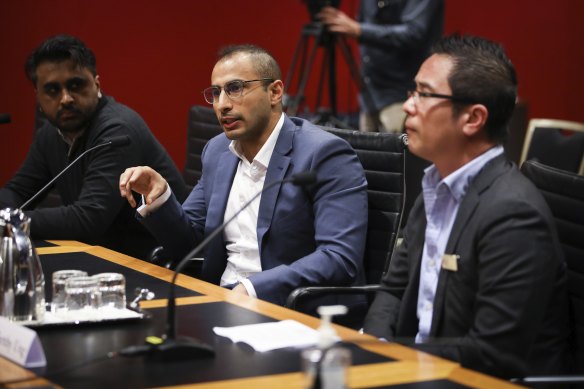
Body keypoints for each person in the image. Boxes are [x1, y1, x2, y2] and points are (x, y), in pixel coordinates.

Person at [362, 34, 570, 378]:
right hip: (419, 369)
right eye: (412, 92)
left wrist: (390, 356)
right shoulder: (435, 187)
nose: (409, 106)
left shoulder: (513, 214)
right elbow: (394, 290)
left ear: (473, 118)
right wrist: (371, 347)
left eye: (424, 94)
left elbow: (492, 354)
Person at [119, 44, 368, 307]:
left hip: (289, 307)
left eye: (235, 88)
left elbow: (338, 256)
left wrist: (251, 289)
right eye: (216, 93)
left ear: (275, 92)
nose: (222, 105)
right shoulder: (217, 152)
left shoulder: (324, 155)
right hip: (220, 298)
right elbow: (188, 245)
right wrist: (160, 197)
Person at [0, 35, 188, 260]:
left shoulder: (117, 131)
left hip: (148, 263)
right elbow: (18, 191)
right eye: (52, 90)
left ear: (97, 84)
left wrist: (9, 221)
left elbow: (88, 219)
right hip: (95, 256)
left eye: (76, 85)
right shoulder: (52, 133)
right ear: (38, 98)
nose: (66, 99)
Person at [317, 0, 444, 133]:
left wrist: (359, 29)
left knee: (401, 151)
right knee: (366, 151)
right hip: (369, 93)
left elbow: (413, 33)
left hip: (403, 94)